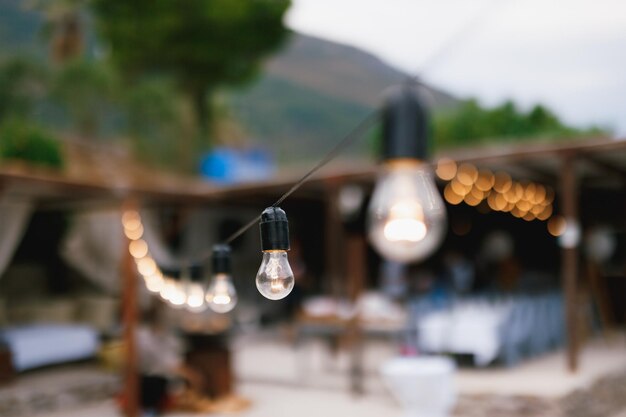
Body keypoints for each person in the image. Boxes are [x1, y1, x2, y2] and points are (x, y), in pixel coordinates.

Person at [136, 301, 203, 416]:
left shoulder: (166, 335)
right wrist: (192, 375)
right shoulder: (142, 336)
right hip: (146, 385)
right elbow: (168, 363)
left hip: (161, 386)